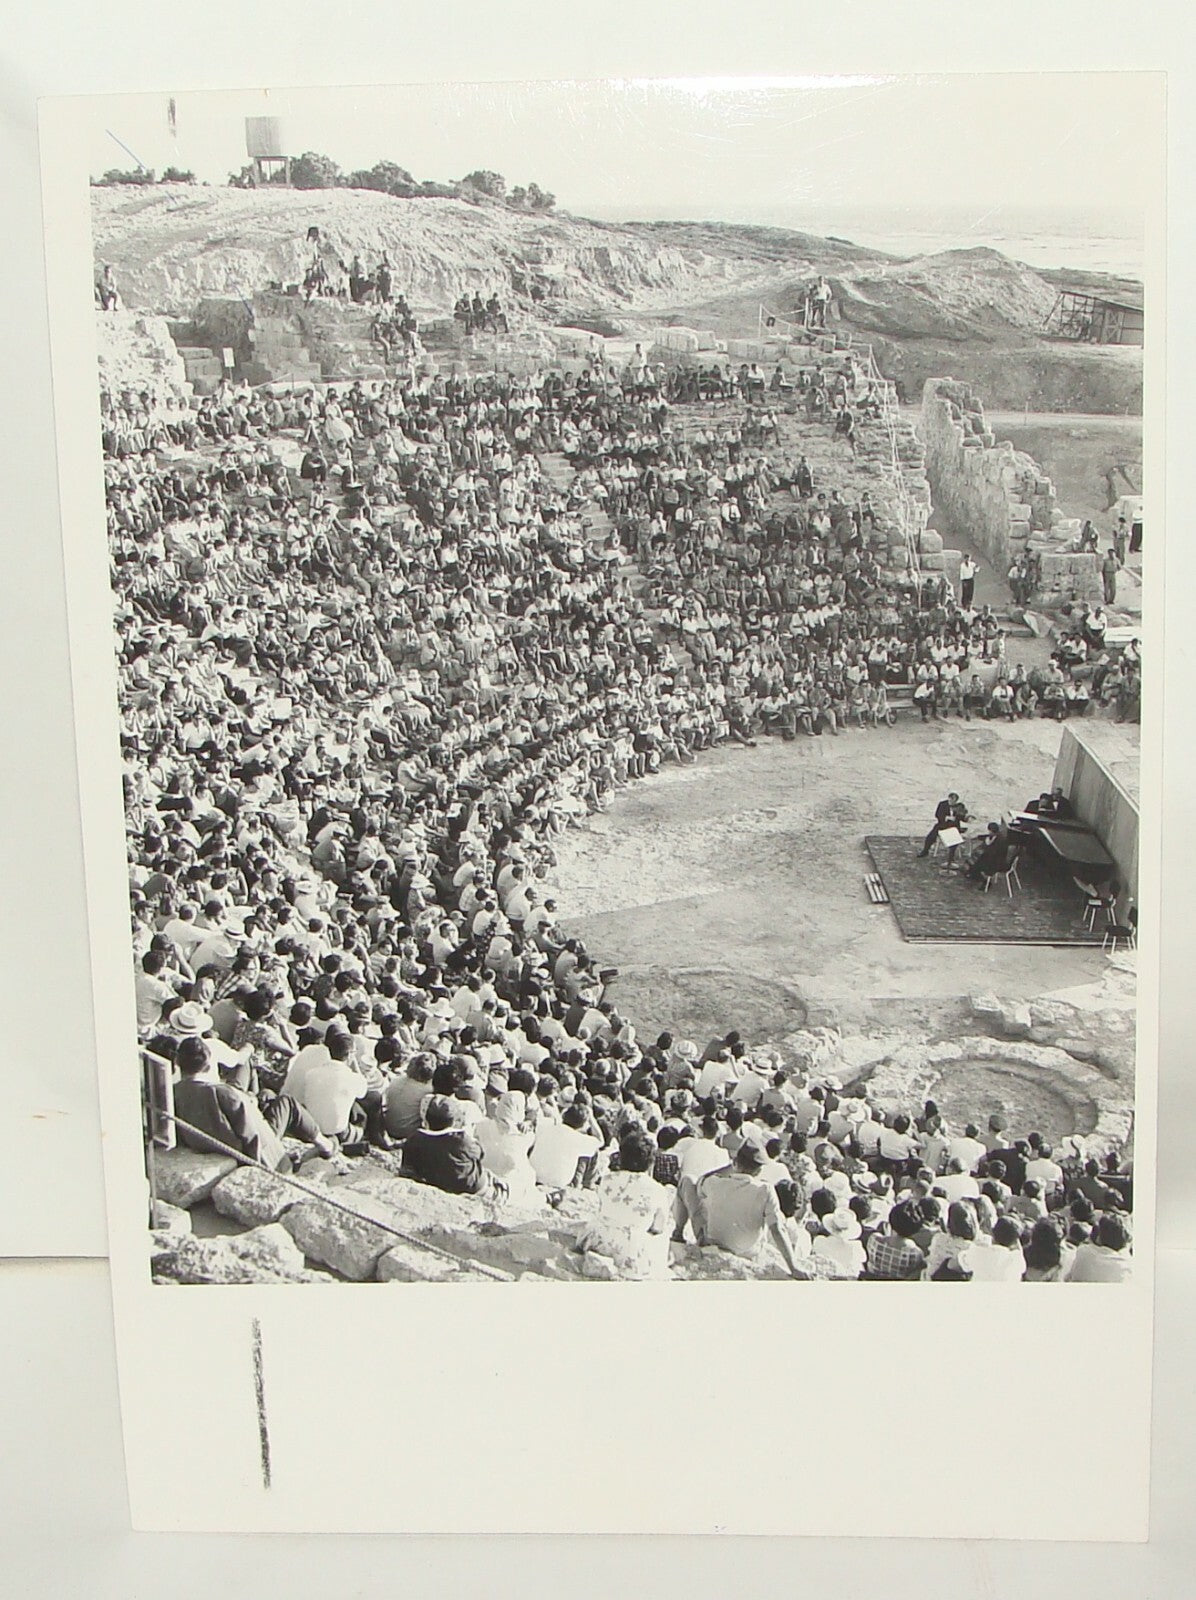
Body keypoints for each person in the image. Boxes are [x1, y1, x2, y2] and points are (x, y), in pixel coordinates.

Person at [170, 1035, 337, 1170]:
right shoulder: (222, 1093)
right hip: (242, 1152)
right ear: (207, 1068)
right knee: (287, 1103)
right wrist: (273, 1164)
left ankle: (257, 1098)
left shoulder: (172, 1091)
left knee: (265, 1096)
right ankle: (326, 1145)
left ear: (177, 1062)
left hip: (208, 1143)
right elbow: (252, 1136)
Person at [673, 1141, 806, 1277]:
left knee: (687, 1180)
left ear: (736, 1162)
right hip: (749, 1251)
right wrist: (793, 1267)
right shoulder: (766, 1190)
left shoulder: (715, 1182)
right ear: (759, 1170)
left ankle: (678, 1233)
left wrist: (731, 1167)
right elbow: (777, 1229)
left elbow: (699, 1183)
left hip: (712, 1244)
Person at [918, 792, 968, 859]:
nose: (952, 803)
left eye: (954, 801)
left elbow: (962, 818)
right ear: (949, 798)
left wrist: (966, 817)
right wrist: (946, 817)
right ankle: (925, 851)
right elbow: (937, 814)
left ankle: (951, 856)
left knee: (954, 839)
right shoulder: (942, 804)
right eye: (951, 800)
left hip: (953, 826)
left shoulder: (960, 806)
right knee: (930, 836)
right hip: (942, 825)